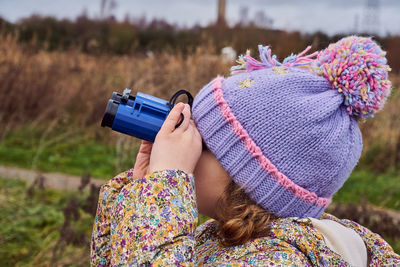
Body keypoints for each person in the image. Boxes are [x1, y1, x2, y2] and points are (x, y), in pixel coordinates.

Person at [90, 36, 400, 266]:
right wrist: (144, 193)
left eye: (204, 142)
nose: (191, 149)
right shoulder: (221, 237)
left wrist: (164, 191)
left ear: (249, 183)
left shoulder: (278, 260)